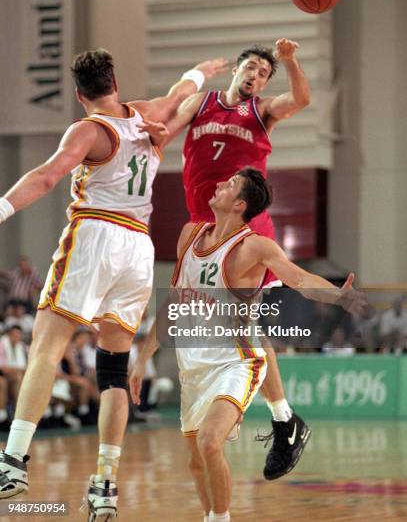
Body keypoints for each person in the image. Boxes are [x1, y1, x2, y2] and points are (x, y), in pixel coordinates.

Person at [0, 47, 228, 518]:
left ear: (80, 93)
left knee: (46, 345)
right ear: (115, 83)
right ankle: (105, 482)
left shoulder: (88, 129)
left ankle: (13, 460)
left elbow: (46, 178)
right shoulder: (147, 114)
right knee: (111, 369)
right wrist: (199, 71)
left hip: (96, 235)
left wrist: (2, 207)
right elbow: (182, 93)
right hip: (138, 249)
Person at [129, 168, 365, 522]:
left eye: (229, 184)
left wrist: (337, 295)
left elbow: (297, 277)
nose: (220, 183)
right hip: (192, 365)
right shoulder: (189, 235)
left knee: (210, 442)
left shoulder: (254, 246)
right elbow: (174, 304)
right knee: (196, 461)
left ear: (239, 204)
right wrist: (142, 358)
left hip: (237, 360)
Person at [162, 41, 312, 480]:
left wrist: (291, 60)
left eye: (265, 74)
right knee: (209, 322)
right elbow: (167, 129)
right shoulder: (202, 103)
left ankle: (280, 418)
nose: (256, 77)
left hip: (246, 229)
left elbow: (302, 99)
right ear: (237, 70)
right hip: (203, 226)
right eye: (252, 68)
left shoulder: (262, 112)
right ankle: (274, 418)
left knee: (243, 324)